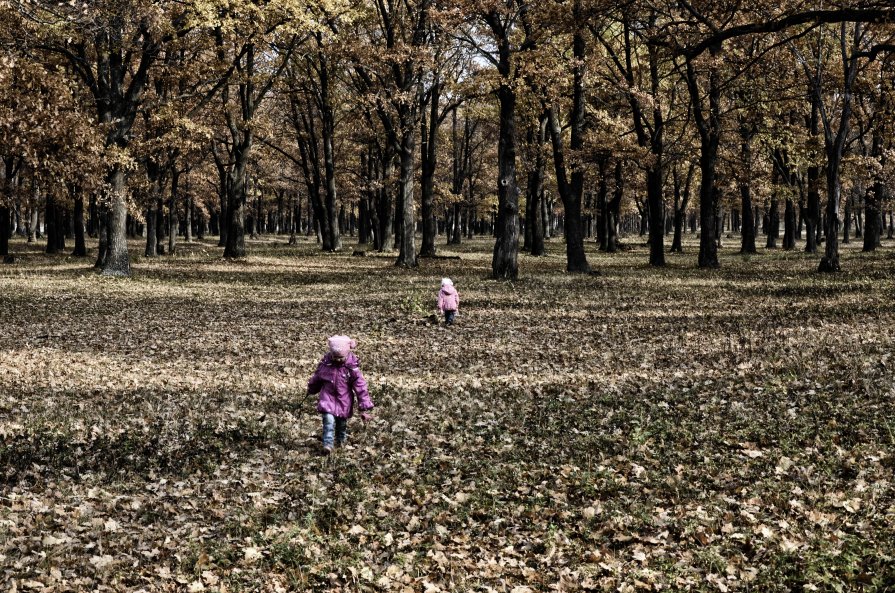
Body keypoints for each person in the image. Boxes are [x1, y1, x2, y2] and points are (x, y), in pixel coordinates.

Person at [307, 335, 374, 455]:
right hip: (327, 399)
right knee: (328, 420)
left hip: (344, 401)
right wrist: (312, 388)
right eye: (335, 357)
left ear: (347, 353)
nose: (337, 360)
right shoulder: (326, 365)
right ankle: (328, 444)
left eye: (341, 357)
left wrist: (364, 406)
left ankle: (340, 442)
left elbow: (360, 387)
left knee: (341, 424)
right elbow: (317, 378)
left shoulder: (351, 369)